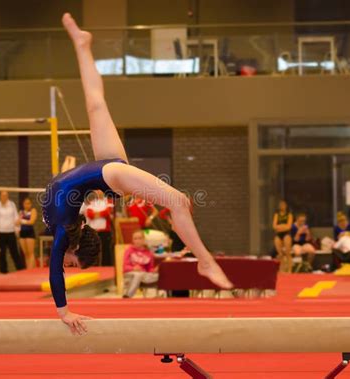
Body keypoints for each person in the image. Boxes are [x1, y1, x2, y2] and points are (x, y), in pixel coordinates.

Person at [41, 13, 232, 336]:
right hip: (106, 172)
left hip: (108, 173)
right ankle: (81, 45)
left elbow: (53, 275)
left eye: (69, 263)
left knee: (180, 203)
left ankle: (204, 261)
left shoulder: (63, 229)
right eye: (71, 264)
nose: (64, 265)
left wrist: (64, 312)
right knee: (96, 105)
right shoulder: (64, 224)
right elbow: (68, 188)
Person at [0, 191, 25, 273]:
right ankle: (3, 272)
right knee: (2, 253)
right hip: (0, 233)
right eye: (2, 196)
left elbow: (15, 217)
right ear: (0, 196)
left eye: (6, 196)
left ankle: (21, 270)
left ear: (8, 196)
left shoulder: (12, 205)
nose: (4, 197)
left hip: (11, 232)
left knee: (15, 253)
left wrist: (17, 228)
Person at [81, 190, 114, 265]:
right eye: (97, 191)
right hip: (94, 230)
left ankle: (106, 265)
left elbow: (107, 212)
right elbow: (90, 214)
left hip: (105, 230)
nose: (99, 193)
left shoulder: (109, 202)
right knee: (93, 249)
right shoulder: (92, 203)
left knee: (106, 249)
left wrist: (96, 214)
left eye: (101, 191)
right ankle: (93, 265)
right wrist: (101, 214)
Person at [123, 230, 158, 298]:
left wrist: (154, 270)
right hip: (131, 274)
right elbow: (125, 267)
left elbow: (149, 269)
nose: (137, 240)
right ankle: (128, 296)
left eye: (140, 238)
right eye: (135, 238)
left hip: (144, 275)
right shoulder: (129, 250)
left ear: (144, 240)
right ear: (132, 240)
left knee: (160, 275)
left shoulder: (148, 253)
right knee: (138, 274)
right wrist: (133, 268)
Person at [272, 200, 293, 272]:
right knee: (280, 254)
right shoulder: (276, 214)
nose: (282, 206)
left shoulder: (289, 215)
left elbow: (289, 227)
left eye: (283, 205)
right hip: (278, 235)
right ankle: (282, 269)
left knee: (287, 252)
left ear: (286, 206)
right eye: (281, 205)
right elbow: (274, 226)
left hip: (286, 234)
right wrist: (283, 226)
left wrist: (280, 227)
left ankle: (290, 269)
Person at [18, 197, 37, 270]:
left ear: (31, 204)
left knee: (31, 253)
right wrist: (20, 221)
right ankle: (28, 269)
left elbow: (32, 221)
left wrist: (22, 221)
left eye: (28, 203)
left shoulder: (33, 210)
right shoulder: (21, 212)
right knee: (26, 254)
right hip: (22, 233)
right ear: (23, 204)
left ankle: (30, 270)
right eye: (25, 203)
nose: (27, 205)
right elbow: (17, 222)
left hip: (29, 233)